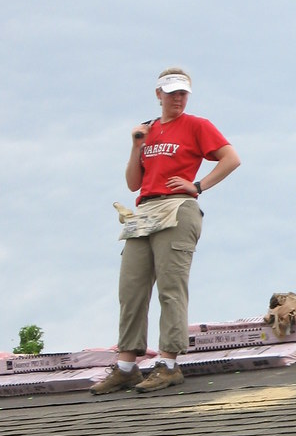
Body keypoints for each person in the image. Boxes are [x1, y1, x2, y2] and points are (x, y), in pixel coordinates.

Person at [92, 67, 241, 395]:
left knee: (171, 287)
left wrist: (198, 185)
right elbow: (133, 182)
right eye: (171, 92)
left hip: (177, 207)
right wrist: (136, 146)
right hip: (145, 208)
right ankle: (126, 366)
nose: (177, 98)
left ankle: (169, 363)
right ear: (158, 94)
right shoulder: (148, 130)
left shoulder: (196, 125)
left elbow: (231, 158)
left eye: (183, 93)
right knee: (131, 289)